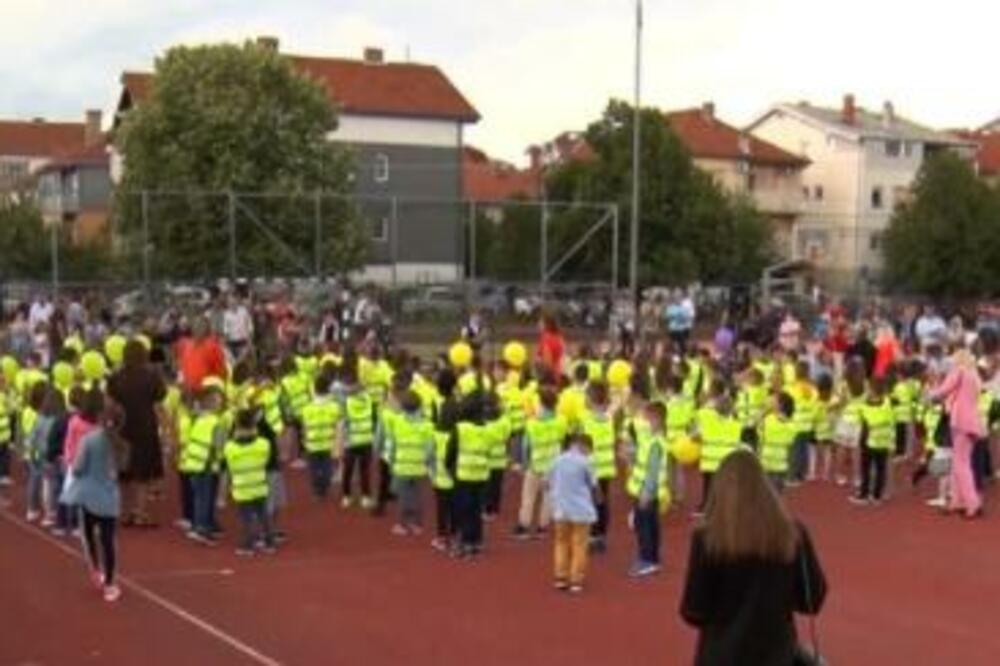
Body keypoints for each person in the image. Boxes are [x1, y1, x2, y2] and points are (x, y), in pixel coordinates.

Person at [680, 450, 827, 666]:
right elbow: (812, 599)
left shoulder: (706, 538)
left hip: (721, 655)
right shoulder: (793, 533)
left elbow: (694, 610)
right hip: (777, 655)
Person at [61, 388, 126, 603]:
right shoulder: (122, 446)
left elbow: (78, 468)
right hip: (109, 498)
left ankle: (95, 570)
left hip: (87, 495)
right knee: (108, 541)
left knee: (88, 535)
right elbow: (121, 471)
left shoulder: (89, 440)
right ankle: (110, 583)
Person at [108, 339, 167, 527]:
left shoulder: (116, 377)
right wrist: (167, 430)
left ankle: (125, 512)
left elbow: (110, 404)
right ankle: (140, 513)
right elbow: (158, 405)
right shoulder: (152, 377)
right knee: (143, 474)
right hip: (145, 428)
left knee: (124, 474)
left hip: (123, 428)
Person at [929, 349, 986, 518]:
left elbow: (944, 389)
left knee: (961, 464)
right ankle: (957, 501)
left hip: (961, 421)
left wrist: (930, 395)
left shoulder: (959, 372)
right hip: (972, 422)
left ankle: (972, 503)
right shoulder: (974, 375)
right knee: (960, 462)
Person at [223, 408, 277, 556]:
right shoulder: (263, 444)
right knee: (263, 515)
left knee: (246, 519)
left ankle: (248, 545)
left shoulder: (230, 447)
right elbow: (266, 461)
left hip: (241, 489)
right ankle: (269, 542)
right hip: (259, 485)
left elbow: (229, 467)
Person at [549, 433, 599, 593]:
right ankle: (576, 580)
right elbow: (594, 485)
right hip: (581, 510)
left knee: (561, 543)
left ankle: (560, 578)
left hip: (561, 509)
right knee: (580, 545)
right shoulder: (586, 462)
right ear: (583, 445)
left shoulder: (557, 460)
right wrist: (599, 500)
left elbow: (546, 481)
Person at [625, 400, 669, 578]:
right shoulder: (651, 440)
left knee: (644, 527)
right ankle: (652, 558)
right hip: (647, 492)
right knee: (651, 525)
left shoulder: (655, 444)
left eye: (647, 418)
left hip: (646, 493)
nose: (644, 421)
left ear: (656, 419)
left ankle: (647, 560)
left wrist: (646, 493)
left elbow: (652, 470)